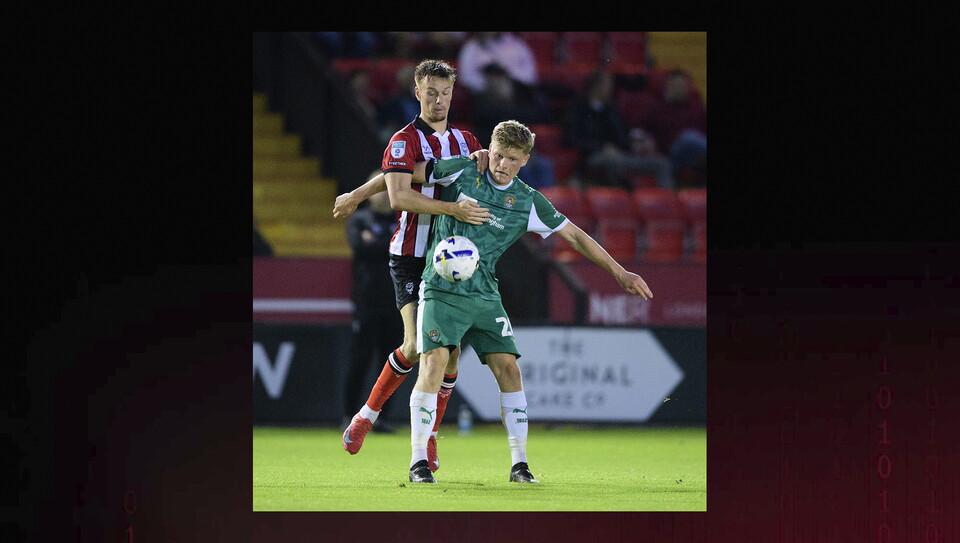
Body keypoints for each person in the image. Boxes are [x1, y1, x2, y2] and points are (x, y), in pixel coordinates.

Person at [403, 120, 654, 483]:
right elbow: (403, 173)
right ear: (489, 149)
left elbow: (575, 236)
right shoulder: (463, 170)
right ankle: (418, 463)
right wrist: (362, 192)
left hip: (484, 294)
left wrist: (620, 272)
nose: (502, 164)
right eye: (498, 155)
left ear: (525, 160)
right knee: (434, 362)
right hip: (441, 288)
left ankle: (520, 465)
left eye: (512, 159)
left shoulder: (527, 201)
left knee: (509, 369)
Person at [333, 59, 492, 474]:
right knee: (417, 346)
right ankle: (367, 415)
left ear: (452, 95)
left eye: (445, 93)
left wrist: (356, 193)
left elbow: (416, 175)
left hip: (451, 260)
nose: (439, 100)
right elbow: (399, 193)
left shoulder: (466, 141)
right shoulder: (404, 140)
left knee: (451, 354)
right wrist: (451, 208)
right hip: (410, 256)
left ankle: (430, 435)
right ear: (417, 93)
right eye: (431, 93)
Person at [342, 188, 405, 433]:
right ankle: (348, 415)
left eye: (387, 191)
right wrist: (391, 246)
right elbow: (359, 247)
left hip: (398, 304)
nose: (384, 195)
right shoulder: (360, 219)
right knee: (359, 361)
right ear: (369, 194)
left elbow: (409, 251)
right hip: (366, 303)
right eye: (379, 190)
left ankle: (382, 419)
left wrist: (375, 243)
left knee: (391, 364)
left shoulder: (403, 219)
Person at [563, 70, 675, 191]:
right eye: (608, 84)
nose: (612, 88)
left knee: (662, 163)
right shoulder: (578, 109)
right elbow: (572, 139)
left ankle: (667, 200)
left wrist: (636, 144)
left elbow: (623, 134)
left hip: (621, 153)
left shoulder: (612, 109)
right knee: (615, 161)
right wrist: (601, 147)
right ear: (596, 86)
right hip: (593, 156)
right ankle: (625, 196)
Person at [637, 69, 706, 186]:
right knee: (689, 137)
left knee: (693, 140)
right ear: (668, 85)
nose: (681, 89)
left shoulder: (695, 107)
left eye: (684, 86)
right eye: (678, 85)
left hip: (696, 154)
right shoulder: (656, 108)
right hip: (671, 153)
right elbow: (641, 131)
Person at [456, 32, 539, 95]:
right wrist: (491, 86)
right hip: (486, 94)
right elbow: (466, 77)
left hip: (518, 92)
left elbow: (530, 74)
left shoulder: (517, 45)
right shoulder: (472, 47)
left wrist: (510, 82)